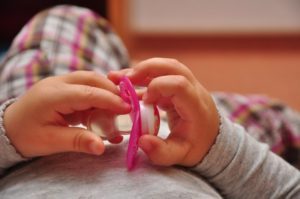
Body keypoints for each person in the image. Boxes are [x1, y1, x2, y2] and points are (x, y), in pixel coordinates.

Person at [0, 5, 299, 199]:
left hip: (27, 149)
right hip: (197, 160)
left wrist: (9, 131)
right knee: (270, 115)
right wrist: (217, 148)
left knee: (63, 22)